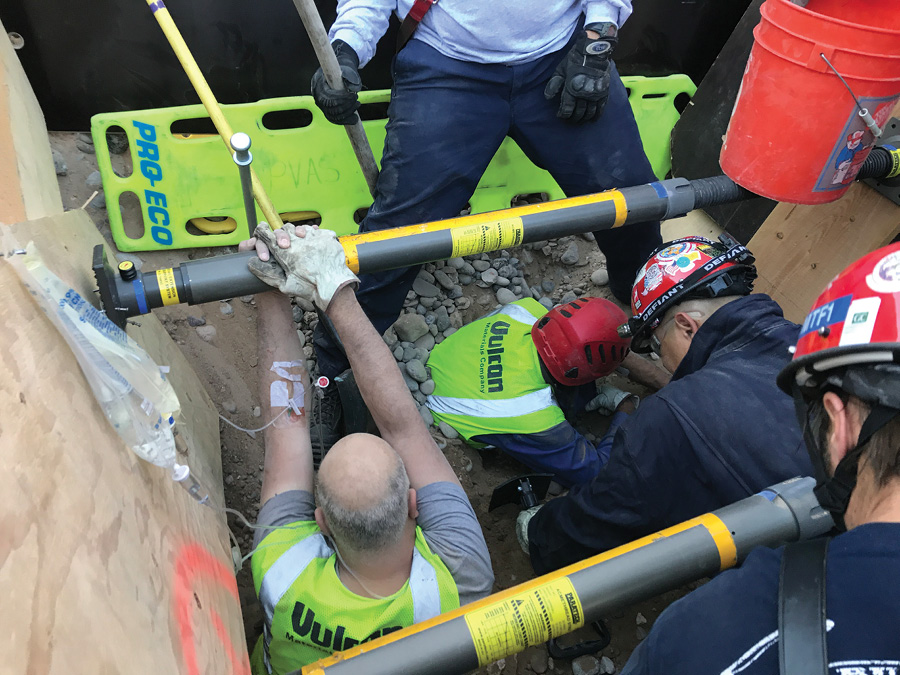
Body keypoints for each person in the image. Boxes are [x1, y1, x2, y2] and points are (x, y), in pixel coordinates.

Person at [309, 0, 663, 450]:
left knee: (631, 198)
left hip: (561, 53)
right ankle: (333, 368)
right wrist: (345, 50)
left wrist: (598, 37)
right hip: (448, 65)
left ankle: (652, 310)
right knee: (399, 232)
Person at [620, 243, 900, 675]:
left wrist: (539, 531)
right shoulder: (792, 339)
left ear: (837, 420)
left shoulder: (716, 632)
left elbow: (604, 511)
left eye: (658, 349)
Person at [241, 224, 493, 674]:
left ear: (320, 523)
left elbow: (286, 430)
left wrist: (269, 289)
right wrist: (336, 289)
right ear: (414, 504)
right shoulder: (459, 579)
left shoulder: (281, 569)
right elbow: (404, 430)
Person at [523, 236, 814, 574]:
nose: (661, 359)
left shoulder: (675, 417)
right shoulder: (818, 337)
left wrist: (539, 530)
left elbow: (599, 516)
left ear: (686, 326)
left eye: (656, 346)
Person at [426, 295, 640, 487]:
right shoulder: (533, 416)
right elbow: (598, 473)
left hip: (440, 365)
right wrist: (625, 413)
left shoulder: (525, 311)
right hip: (445, 411)